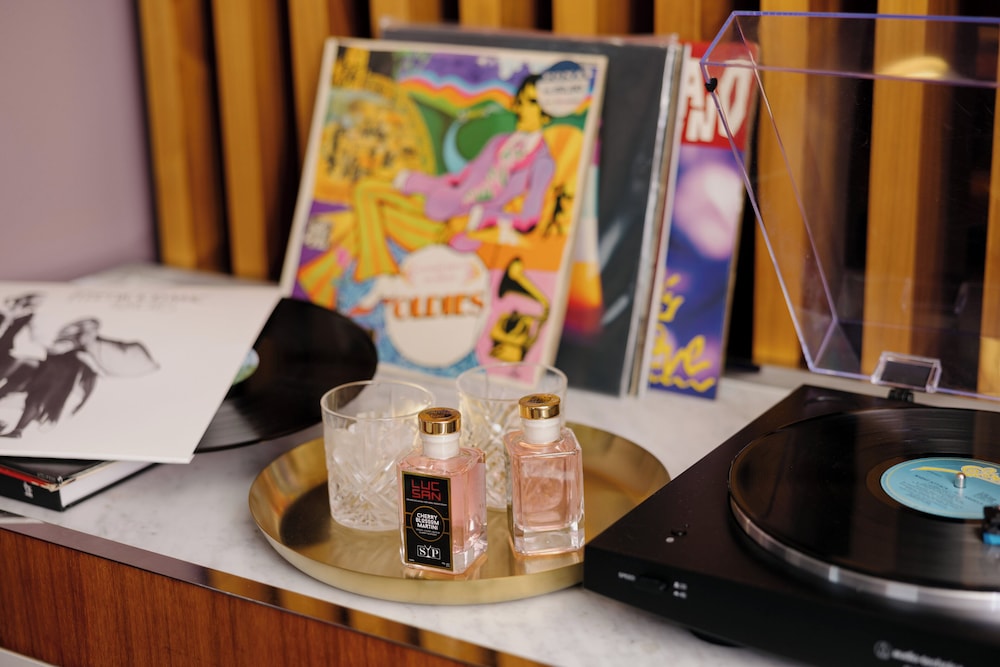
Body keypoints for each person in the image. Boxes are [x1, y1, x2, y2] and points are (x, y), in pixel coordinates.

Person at [348, 73, 557, 281]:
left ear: (547, 114)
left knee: (372, 205)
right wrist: (409, 181)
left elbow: (528, 219)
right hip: (442, 202)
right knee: (366, 188)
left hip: (454, 227)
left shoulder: (542, 162)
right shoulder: (499, 142)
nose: (521, 108)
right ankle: (379, 271)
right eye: (520, 100)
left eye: (531, 102)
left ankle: (377, 274)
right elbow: (460, 179)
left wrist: (476, 219)